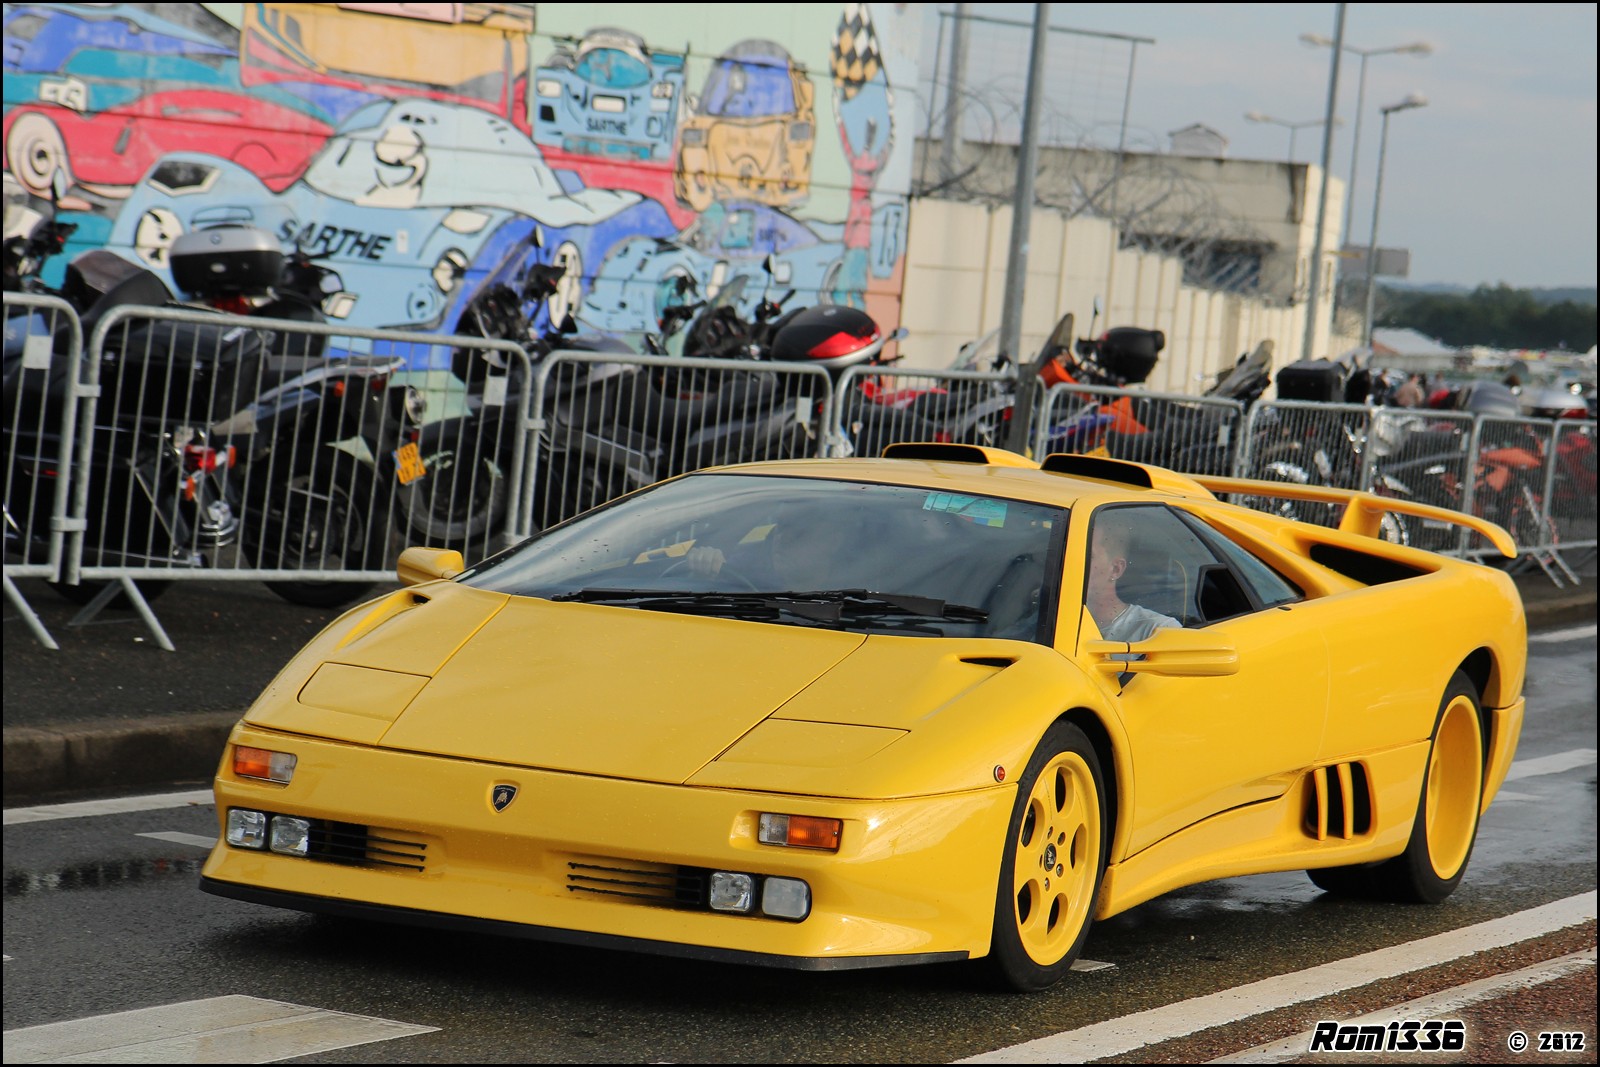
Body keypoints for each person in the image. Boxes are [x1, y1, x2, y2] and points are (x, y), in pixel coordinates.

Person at [1086, 516, 1181, 642]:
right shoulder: (1055, 620)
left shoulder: (1156, 631)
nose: (1070, 562)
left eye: (1088, 555)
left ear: (1116, 569)